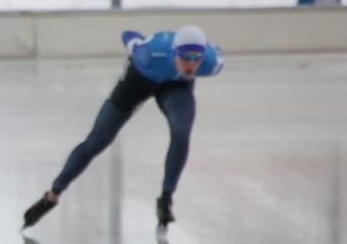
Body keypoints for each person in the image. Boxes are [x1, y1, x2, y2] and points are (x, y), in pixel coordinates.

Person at [22, 25, 223, 231]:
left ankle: (166, 199)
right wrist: (135, 42)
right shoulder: (147, 54)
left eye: (196, 59)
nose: (191, 65)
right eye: (185, 58)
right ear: (174, 53)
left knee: (181, 131)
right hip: (138, 82)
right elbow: (128, 36)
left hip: (175, 87)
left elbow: (213, 53)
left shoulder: (211, 63)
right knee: (97, 140)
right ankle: (53, 195)